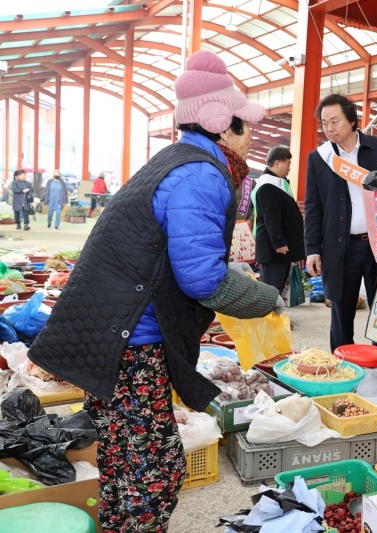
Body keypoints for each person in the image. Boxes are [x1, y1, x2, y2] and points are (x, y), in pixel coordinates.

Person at [28, 50, 283, 532]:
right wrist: (265, 299)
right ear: (220, 124)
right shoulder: (201, 174)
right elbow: (202, 279)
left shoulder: (175, 160)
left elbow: (184, 252)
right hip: (131, 340)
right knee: (153, 469)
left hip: (111, 335)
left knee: (125, 453)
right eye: (245, 125)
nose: (251, 137)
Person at [304, 93, 377, 351]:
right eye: (324, 123)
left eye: (335, 121)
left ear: (352, 121)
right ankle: (342, 367)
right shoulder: (318, 158)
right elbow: (313, 207)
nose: (329, 128)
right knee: (341, 313)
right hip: (340, 247)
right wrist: (312, 249)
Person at [253, 145, 305, 290]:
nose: (289, 168)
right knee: (271, 291)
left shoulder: (277, 184)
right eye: (288, 163)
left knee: (277, 290)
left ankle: (273, 313)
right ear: (277, 163)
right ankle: (268, 314)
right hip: (275, 252)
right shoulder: (268, 186)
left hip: (280, 252)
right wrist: (279, 242)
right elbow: (271, 218)